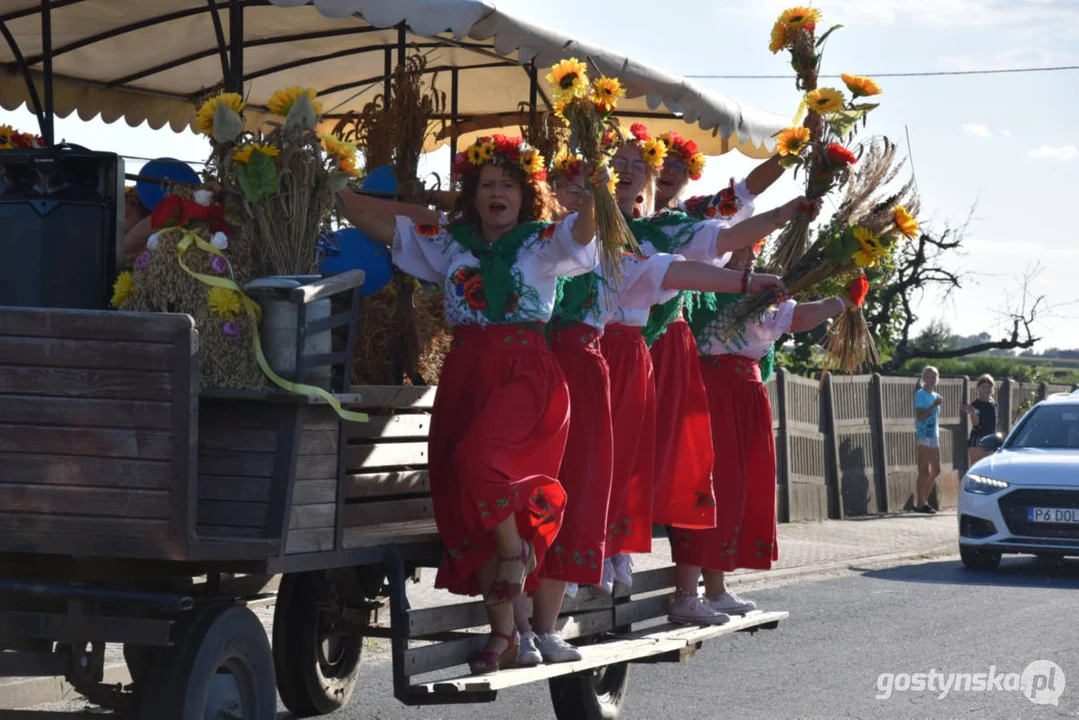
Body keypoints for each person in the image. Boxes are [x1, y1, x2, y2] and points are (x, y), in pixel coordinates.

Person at [336, 134, 600, 675]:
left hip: (526, 375)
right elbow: (385, 223)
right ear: (472, 196)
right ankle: (505, 634)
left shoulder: (543, 241)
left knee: (478, 463)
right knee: (469, 503)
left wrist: (595, 194)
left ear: (525, 193)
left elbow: (585, 232)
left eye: (507, 184)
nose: (496, 193)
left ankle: (513, 554)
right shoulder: (450, 243)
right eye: (486, 186)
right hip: (466, 372)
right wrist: (329, 187)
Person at [518, 138, 788, 665]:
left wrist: (788, 199)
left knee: (623, 460)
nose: (631, 174)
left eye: (641, 167)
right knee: (562, 472)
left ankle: (603, 556)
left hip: (617, 351)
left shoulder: (658, 232)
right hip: (551, 359)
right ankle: (525, 613)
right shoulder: (546, 238)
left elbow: (725, 228)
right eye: (612, 165)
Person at [603, 123, 813, 598]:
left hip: (662, 344)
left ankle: (628, 543)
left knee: (660, 452)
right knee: (615, 441)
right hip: (616, 343)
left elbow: (740, 206)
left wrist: (791, 156)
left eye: (670, 166)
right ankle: (607, 541)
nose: (669, 172)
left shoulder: (683, 220)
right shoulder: (587, 219)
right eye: (664, 163)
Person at [670, 241, 853, 624]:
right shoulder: (703, 291)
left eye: (754, 249)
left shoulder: (761, 297)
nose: (751, 254)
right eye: (742, 247)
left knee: (734, 491)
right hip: (714, 394)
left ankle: (715, 591)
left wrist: (842, 301)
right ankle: (686, 594)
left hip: (746, 396)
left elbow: (796, 317)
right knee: (707, 485)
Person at [914, 366, 943, 514]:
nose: (931, 380)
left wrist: (935, 405)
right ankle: (921, 503)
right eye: (929, 377)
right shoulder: (920, 395)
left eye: (934, 377)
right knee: (924, 471)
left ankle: (923, 500)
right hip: (923, 435)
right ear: (923, 378)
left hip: (934, 435)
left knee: (936, 470)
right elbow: (921, 416)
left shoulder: (935, 395)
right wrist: (933, 406)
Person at [962, 374, 998, 466]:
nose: (986, 389)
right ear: (978, 388)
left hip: (991, 442)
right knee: (976, 469)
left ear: (993, 388)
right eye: (983, 387)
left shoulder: (994, 405)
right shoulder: (976, 405)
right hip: (978, 441)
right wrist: (973, 413)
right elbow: (975, 423)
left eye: (989, 387)